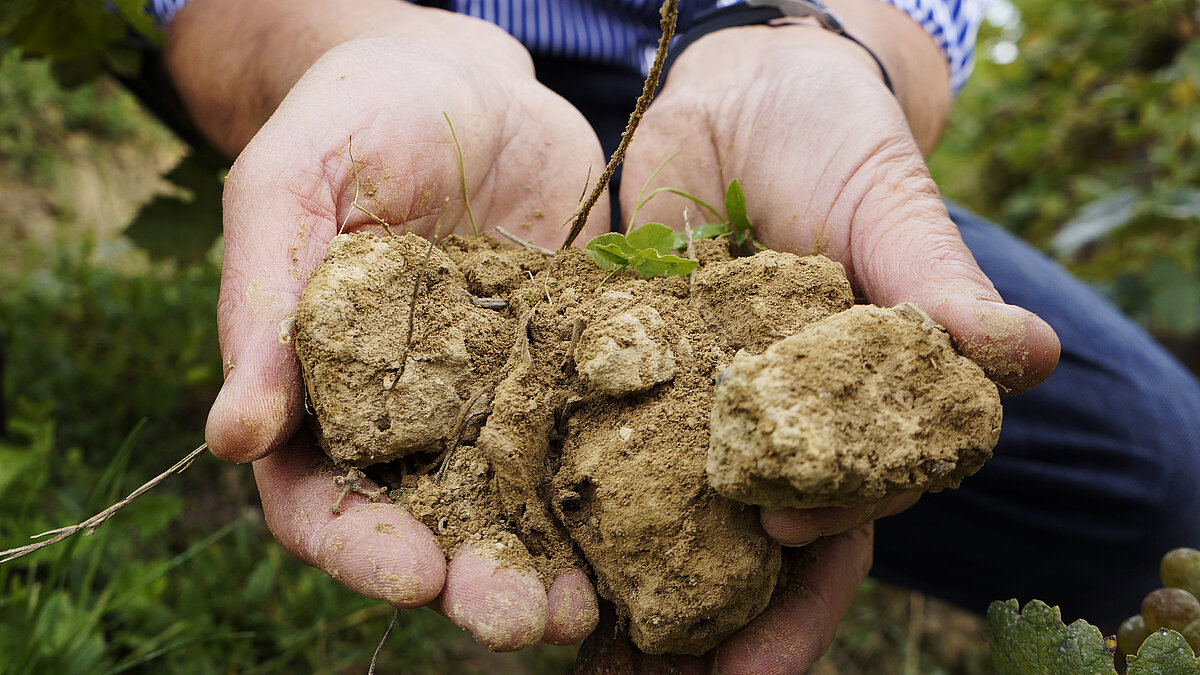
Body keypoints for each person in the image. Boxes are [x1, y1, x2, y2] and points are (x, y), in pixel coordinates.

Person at [151, 0, 1200, 671]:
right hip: (427, 76)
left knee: (1172, 468)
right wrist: (375, 46)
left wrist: (805, 47)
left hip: (750, 90)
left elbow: (919, 35)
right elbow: (211, 19)